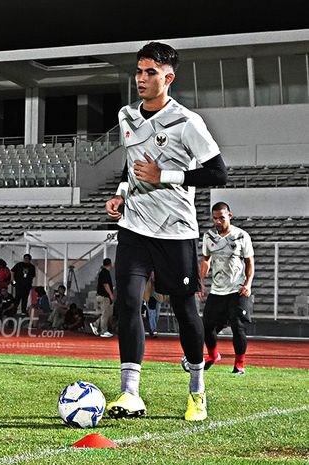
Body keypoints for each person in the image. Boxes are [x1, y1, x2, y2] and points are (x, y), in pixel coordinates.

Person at [104, 42, 228, 422]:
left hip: (176, 231)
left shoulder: (187, 122)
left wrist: (165, 176)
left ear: (168, 77)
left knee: (185, 310)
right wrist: (121, 195)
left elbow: (218, 172)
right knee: (127, 303)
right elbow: (130, 166)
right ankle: (130, 394)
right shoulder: (127, 115)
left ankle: (196, 392)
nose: (142, 79)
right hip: (134, 228)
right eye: (139, 71)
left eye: (150, 72)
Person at [198, 202, 254, 375]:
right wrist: (201, 281)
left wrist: (248, 284)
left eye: (221, 217)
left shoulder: (241, 236)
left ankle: (239, 365)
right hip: (217, 291)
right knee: (206, 327)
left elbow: (249, 261)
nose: (218, 221)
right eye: (215, 218)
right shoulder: (209, 237)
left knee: (238, 327)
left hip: (238, 290)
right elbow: (206, 260)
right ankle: (213, 356)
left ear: (229, 215)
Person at [91, 258, 115, 338]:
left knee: (107, 313)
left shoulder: (103, 272)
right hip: (104, 296)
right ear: (110, 264)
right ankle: (103, 331)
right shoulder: (105, 272)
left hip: (102, 296)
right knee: (105, 313)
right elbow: (105, 285)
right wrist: (111, 294)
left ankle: (96, 324)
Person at [144, 273, 162, 338]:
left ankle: (153, 328)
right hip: (149, 297)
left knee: (156, 314)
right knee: (152, 314)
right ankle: (153, 329)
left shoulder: (159, 279)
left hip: (158, 298)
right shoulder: (147, 280)